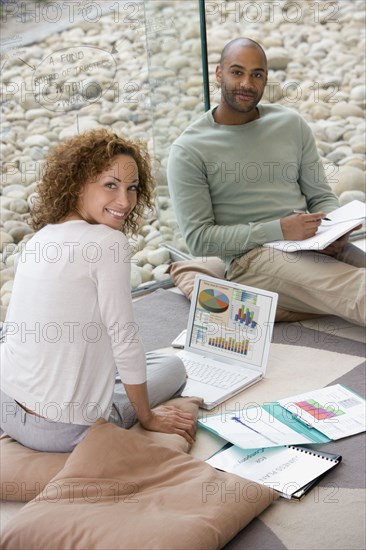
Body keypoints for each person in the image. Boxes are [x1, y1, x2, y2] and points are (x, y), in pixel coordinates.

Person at [0, 128, 196, 452]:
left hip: (6, 402)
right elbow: (124, 339)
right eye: (110, 185)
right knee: (172, 366)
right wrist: (147, 417)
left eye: (132, 188)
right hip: (58, 430)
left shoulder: (42, 236)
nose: (125, 201)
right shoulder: (108, 243)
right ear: (77, 184)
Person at [167, 37, 366, 326]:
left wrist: (334, 230)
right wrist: (279, 230)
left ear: (265, 79)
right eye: (237, 72)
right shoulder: (188, 150)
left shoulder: (290, 124)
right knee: (355, 288)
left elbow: (321, 196)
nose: (247, 83)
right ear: (219, 74)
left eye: (256, 74)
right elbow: (198, 238)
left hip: (311, 241)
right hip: (252, 260)